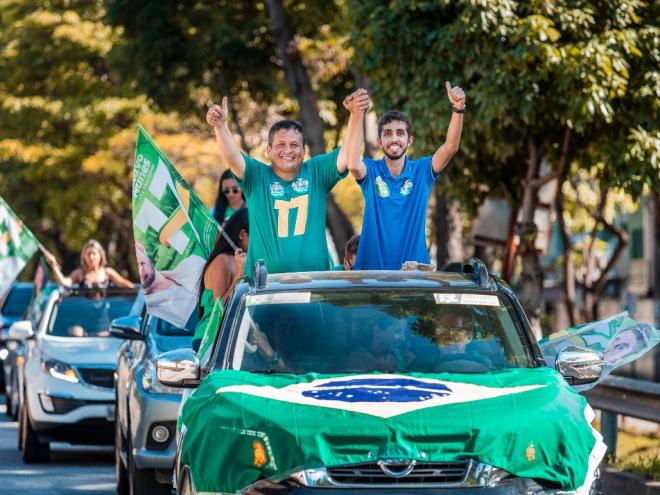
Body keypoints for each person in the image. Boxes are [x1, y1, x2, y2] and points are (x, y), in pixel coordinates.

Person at [206, 89, 370, 274]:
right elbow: (232, 158)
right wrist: (220, 127)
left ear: (303, 149)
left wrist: (356, 115)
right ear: (268, 149)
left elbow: (349, 154)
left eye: (294, 145)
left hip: (314, 285)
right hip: (266, 289)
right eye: (281, 145)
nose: (288, 150)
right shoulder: (257, 176)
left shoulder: (316, 171)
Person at [348, 82, 466, 270]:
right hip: (371, 273)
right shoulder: (371, 170)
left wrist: (458, 108)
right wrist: (356, 114)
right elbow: (352, 163)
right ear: (379, 141)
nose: (394, 138)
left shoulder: (422, 171)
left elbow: (451, 147)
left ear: (409, 140)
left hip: (413, 275)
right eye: (387, 133)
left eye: (400, 133)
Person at [192, 208, 249, 351]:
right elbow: (220, 308)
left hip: (234, 337)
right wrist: (239, 274)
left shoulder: (246, 259)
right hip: (211, 338)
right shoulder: (222, 260)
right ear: (242, 234)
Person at [135, 240, 206, 328]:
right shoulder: (155, 316)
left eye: (140, 263)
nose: (140, 270)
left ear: (142, 250)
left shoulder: (193, 263)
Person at [42, 239, 134, 289]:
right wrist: (54, 265)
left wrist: (143, 291)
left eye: (94, 253)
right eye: (88, 254)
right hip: (84, 315)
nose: (91, 257)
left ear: (100, 255)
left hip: (103, 316)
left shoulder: (107, 272)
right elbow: (64, 283)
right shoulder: (79, 273)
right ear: (84, 257)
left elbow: (125, 284)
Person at [346, 314, 415, 372]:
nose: (403, 338)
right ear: (377, 332)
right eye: (397, 331)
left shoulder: (405, 357)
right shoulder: (357, 360)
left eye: (403, 332)